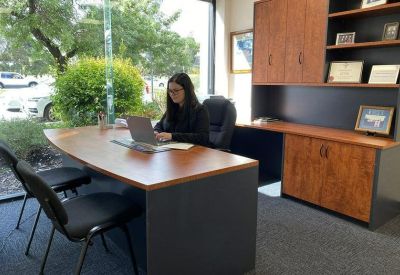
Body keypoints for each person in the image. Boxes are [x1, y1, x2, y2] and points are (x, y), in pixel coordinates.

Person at [154, 72, 210, 146]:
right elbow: (160, 125)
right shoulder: (173, 109)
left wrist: (172, 136)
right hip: (172, 150)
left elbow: (202, 138)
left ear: (187, 90)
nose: (172, 94)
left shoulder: (200, 110)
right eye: (170, 91)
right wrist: (156, 131)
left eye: (176, 90)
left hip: (193, 153)